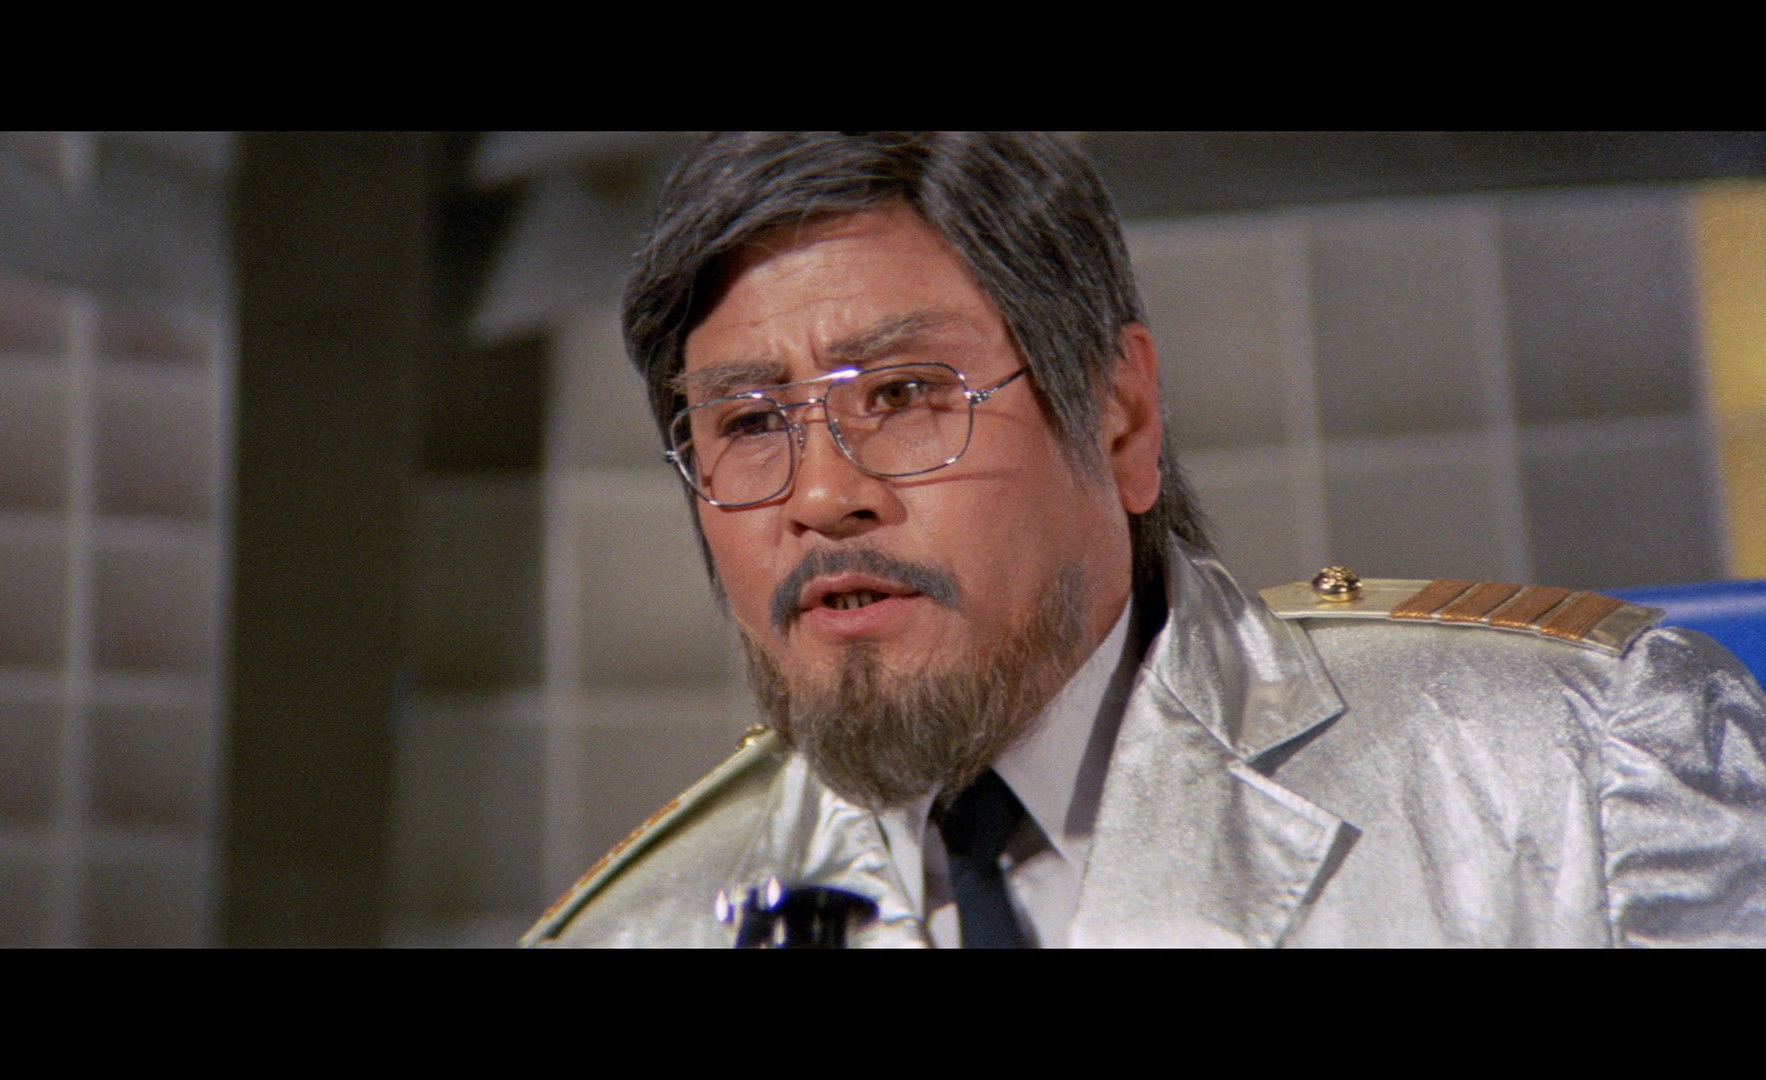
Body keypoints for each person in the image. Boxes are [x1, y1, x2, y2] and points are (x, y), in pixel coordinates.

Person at [519, 132, 1766, 948]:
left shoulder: (1580, 767)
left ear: (1119, 417)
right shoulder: (635, 932)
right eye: (746, 422)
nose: (822, 493)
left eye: (902, 395)